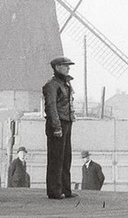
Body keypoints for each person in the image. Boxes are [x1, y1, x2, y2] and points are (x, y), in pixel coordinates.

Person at [43, 55, 76, 200]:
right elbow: (51, 107)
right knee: (56, 158)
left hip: (66, 122)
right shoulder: (52, 85)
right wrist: (57, 127)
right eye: (65, 65)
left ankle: (65, 189)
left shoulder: (64, 84)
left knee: (66, 157)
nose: (68, 68)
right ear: (57, 67)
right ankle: (54, 191)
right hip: (58, 124)